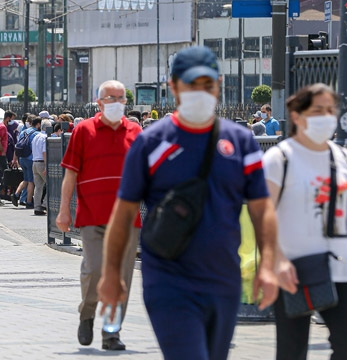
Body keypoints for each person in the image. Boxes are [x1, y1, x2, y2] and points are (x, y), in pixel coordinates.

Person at [97, 46, 281, 359]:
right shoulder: (150, 143)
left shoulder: (241, 141)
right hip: (169, 280)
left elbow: (262, 209)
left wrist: (269, 265)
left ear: (219, 85)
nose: (200, 92)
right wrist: (111, 274)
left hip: (223, 279)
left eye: (208, 85)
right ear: (174, 87)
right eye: (191, 84)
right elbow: (123, 213)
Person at [263, 83, 347, 359]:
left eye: (330, 110)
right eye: (317, 110)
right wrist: (275, 260)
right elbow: (263, 214)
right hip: (293, 268)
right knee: (292, 350)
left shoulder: (345, 158)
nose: (326, 116)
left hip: (342, 267)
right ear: (297, 116)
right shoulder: (279, 158)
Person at [56, 80, 142, 351]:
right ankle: (87, 314)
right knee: (93, 270)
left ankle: (111, 332)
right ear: (99, 102)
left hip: (127, 220)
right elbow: (70, 173)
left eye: (120, 97)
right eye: (110, 97)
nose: (115, 101)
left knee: (121, 278)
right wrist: (63, 212)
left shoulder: (136, 132)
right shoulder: (83, 130)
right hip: (92, 216)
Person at [10, 115, 40, 209]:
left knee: (26, 179)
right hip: (30, 158)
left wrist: (15, 159)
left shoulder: (24, 132)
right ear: (38, 124)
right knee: (31, 181)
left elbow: (17, 145)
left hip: (22, 158)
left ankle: (16, 194)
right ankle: (29, 201)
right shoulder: (36, 134)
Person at [0, 110, 16, 206]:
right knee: (5, 175)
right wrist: (3, 151)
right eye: (12, 119)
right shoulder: (2, 127)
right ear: (8, 118)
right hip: (0, 155)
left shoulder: (0, 126)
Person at [31, 119, 50, 216]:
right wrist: (47, 166)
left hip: (34, 162)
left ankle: (37, 207)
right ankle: (44, 204)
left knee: (38, 186)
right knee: (51, 185)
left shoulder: (36, 136)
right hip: (42, 163)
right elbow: (44, 152)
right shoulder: (45, 137)